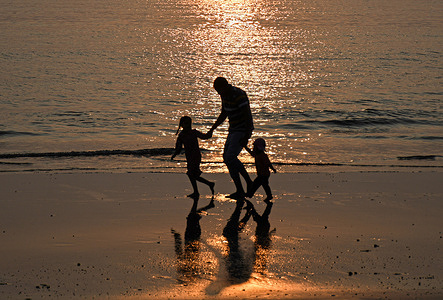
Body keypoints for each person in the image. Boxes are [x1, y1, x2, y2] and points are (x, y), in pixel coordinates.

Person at [209, 77, 254, 200]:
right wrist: (212, 129)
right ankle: (240, 189)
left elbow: (247, 115)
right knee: (227, 158)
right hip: (233, 129)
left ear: (225, 86)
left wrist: (247, 135)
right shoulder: (224, 95)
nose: (218, 93)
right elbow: (224, 114)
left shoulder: (238, 94)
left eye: (219, 90)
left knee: (230, 157)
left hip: (242, 130)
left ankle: (249, 182)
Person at [171, 116, 215, 199]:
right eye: (186, 123)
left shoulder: (194, 132)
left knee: (191, 174)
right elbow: (178, 147)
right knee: (193, 175)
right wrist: (174, 154)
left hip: (196, 156)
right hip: (189, 157)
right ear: (182, 125)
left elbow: (204, 137)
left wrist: (211, 132)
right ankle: (206, 186)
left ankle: (200, 190)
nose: (188, 125)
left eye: (189, 123)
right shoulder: (181, 135)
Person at [245, 138, 276, 203]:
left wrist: (272, 169)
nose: (254, 148)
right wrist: (246, 147)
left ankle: (250, 194)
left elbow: (268, 163)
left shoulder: (263, 155)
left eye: (255, 147)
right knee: (264, 185)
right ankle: (268, 195)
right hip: (262, 174)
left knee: (256, 184)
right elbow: (251, 153)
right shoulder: (257, 154)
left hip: (264, 174)